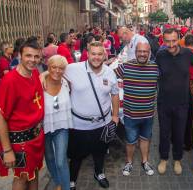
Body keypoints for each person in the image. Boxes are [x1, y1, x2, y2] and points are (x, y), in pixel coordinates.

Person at [65, 41, 119, 189]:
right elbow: (53, 70)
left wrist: (115, 116)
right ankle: (72, 181)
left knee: (100, 152)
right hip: (78, 125)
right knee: (76, 156)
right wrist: (43, 77)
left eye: (99, 54)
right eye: (93, 54)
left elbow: (114, 94)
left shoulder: (109, 72)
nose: (96, 57)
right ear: (87, 54)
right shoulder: (72, 69)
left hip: (102, 123)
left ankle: (99, 173)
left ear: (104, 55)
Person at [0, 39, 45, 190]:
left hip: (36, 138)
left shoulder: (35, 73)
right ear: (20, 56)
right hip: (19, 143)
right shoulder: (9, 81)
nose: (32, 60)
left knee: (34, 174)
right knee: (22, 179)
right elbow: (0, 117)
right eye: (28, 56)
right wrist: (7, 150)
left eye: (36, 57)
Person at [156, 28, 193, 175]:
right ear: (163, 40)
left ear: (179, 39)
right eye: (167, 41)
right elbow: (153, 72)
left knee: (179, 133)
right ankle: (164, 158)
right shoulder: (160, 55)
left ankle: (177, 159)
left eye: (174, 40)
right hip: (164, 102)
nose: (171, 44)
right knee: (164, 133)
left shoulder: (188, 54)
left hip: (182, 102)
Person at [114, 42, 158, 177]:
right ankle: (129, 162)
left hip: (148, 115)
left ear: (149, 52)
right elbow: (109, 76)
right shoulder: (126, 66)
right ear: (136, 52)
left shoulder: (155, 68)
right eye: (140, 51)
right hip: (130, 115)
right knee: (131, 140)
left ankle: (145, 161)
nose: (142, 54)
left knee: (145, 139)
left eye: (145, 51)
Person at [42, 55, 72, 190]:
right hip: (44, 127)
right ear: (48, 67)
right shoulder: (40, 83)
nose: (57, 71)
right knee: (49, 158)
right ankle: (58, 182)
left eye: (61, 68)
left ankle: (65, 187)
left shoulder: (66, 82)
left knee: (61, 161)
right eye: (54, 67)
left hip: (62, 127)